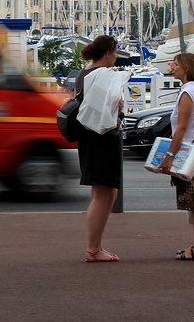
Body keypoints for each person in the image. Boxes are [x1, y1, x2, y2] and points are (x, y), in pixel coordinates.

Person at [160, 52, 194, 260]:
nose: (172, 66)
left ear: (186, 68)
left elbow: (181, 129)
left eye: (176, 64)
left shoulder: (187, 92)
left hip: (191, 152)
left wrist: (169, 155)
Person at [75, 35, 123, 262]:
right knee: (103, 194)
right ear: (108, 54)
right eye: (115, 53)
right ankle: (93, 248)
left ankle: (96, 246)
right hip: (102, 136)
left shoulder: (83, 75)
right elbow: (114, 107)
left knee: (108, 192)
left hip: (89, 137)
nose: (116, 57)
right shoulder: (104, 76)